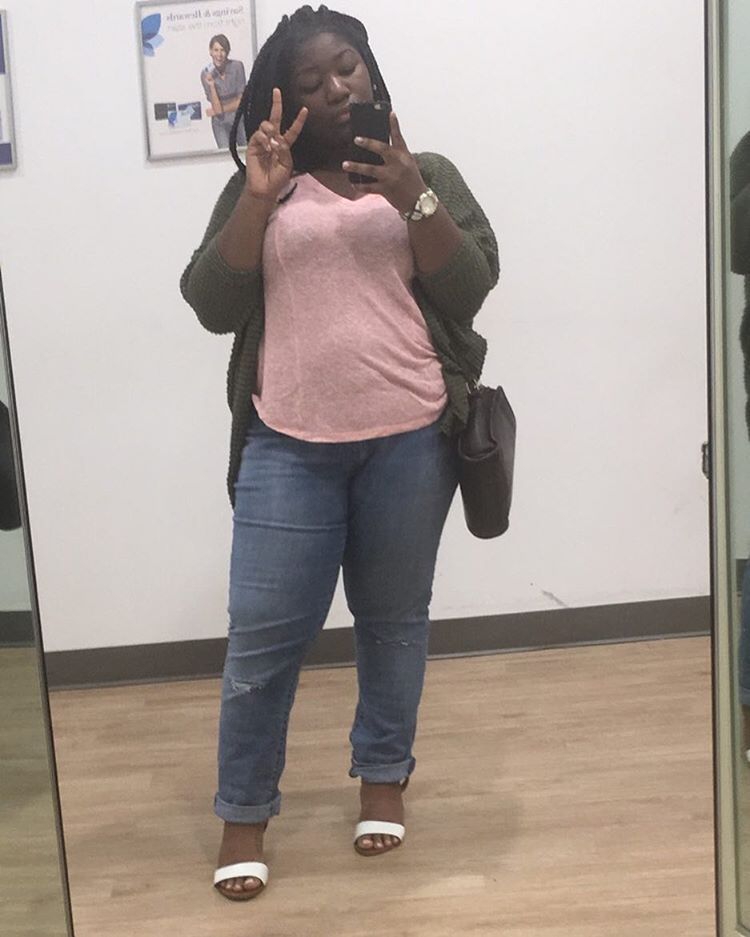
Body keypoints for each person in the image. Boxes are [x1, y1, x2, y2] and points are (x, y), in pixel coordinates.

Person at [180, 3, 499, 902]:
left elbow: (470, 287)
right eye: (312, 79)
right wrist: (258, 197)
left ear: (371, 69)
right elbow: (211, 303)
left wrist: (412, 194)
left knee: (393, 621)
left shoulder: (425, 169)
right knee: (263, 636)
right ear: (283, 96)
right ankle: (244, 813)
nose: (334, 87)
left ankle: (383, 778)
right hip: (287, 440)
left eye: (347, 67)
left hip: (410, 435)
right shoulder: (263, 180)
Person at [201, 34, 248, 149]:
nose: (219, 54)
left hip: (239, 119)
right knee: (225, 155)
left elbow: (242, 101)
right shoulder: (206, 74)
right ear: (210, 52)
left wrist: (220, 110)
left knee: (246, 151)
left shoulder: (237, 66)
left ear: (227, 52)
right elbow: (217, 110)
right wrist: (212, 85)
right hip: (220, 123)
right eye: (216, 50)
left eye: (222, 50)